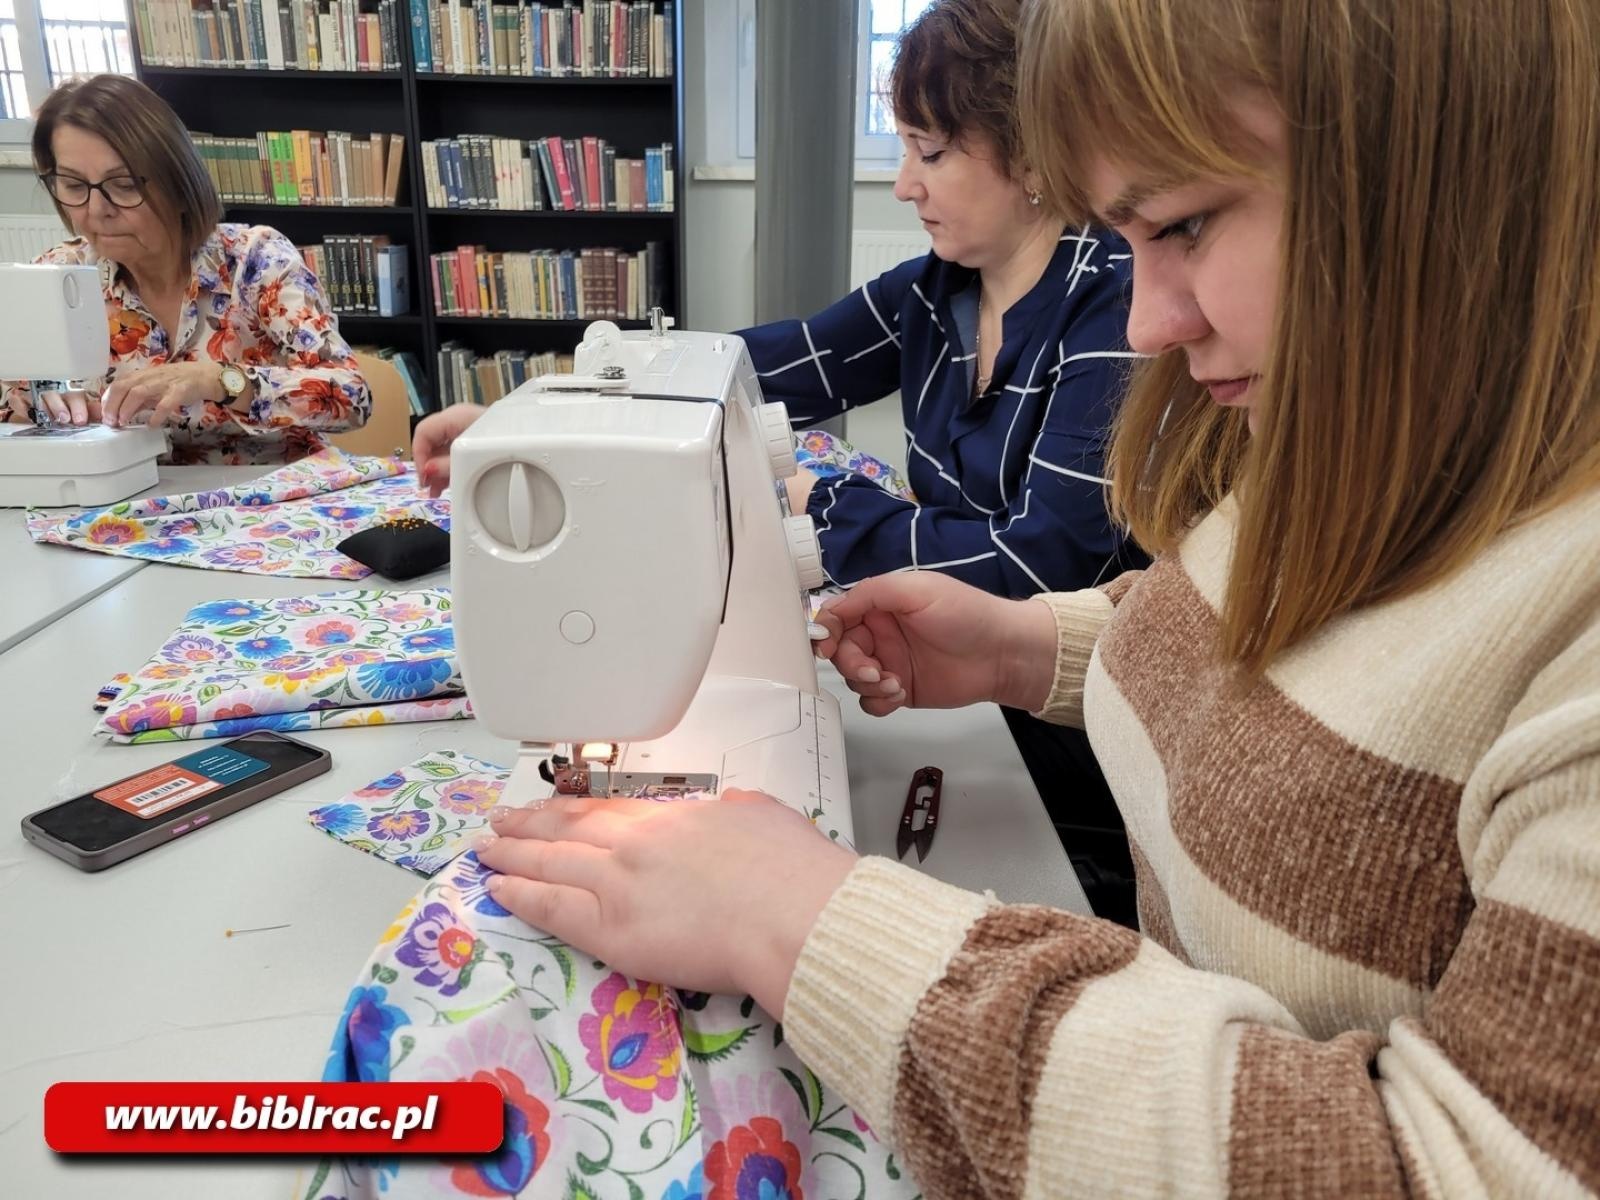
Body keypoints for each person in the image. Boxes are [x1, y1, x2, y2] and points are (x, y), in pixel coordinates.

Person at [472, 0, 1600, 1194]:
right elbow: (1248, 626)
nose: (1152, 321)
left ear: (1438, 166)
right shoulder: (1347, 437)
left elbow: (1459, 1169)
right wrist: (1031, 650)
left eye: (1183, 224)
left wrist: (800, 919)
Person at [413, 0, 1143, 920]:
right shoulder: (938, 291)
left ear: (1032, 155)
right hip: (958, 697)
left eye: (930, 153)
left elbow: (1039, 566)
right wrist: (540, 415)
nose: (904, 187)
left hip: (1068, 750)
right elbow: (754, 365)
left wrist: (811, 502)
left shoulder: (1116, 312)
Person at [1, 75, 369, 465]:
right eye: (74, 186)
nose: (96, 211)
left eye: (123, 185)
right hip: (131, 496)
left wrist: (220, 381)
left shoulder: (256, 260)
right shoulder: (58, 276)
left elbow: (352, 396)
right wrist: (37, 403)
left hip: (273, 489)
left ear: (178, 182)